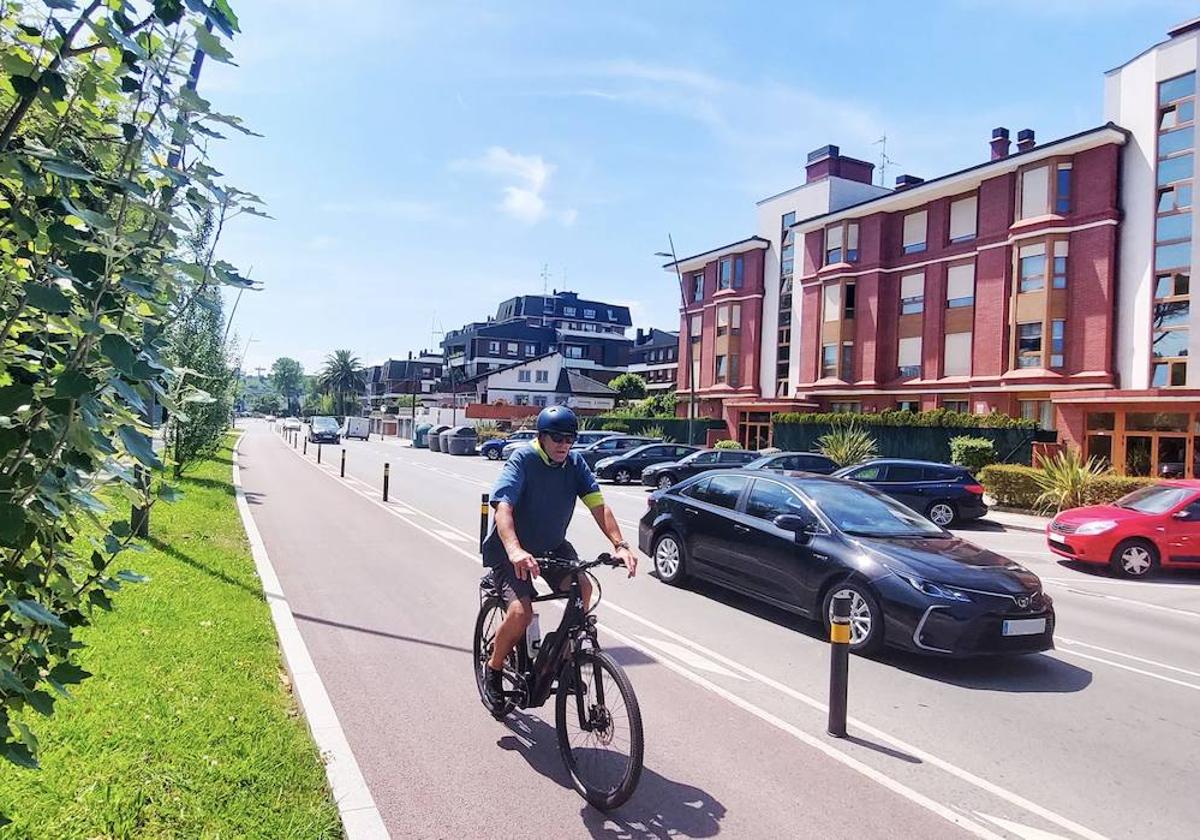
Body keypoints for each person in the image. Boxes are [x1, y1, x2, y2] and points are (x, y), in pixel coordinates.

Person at [481, 405, 637, 708]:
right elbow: (503, 508)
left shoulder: (575, 464)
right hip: (512, 550)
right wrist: (515, 550)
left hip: (552, 546)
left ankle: (561, 661)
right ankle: (494, 667)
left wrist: (620, 544)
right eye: (557, 438)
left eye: (569, 439)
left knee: (584, 589)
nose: (564, 445)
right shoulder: (523, 459)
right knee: (521, 613)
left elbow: (598, 506)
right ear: (541, 437)